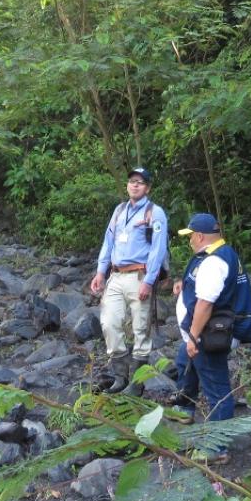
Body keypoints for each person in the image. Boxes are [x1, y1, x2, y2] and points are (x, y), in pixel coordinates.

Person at [172, 212, 251, 463]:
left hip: (209, 336)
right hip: (204, 333)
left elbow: (205, 304)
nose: (189, 241)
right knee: (183, 364)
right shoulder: (221, 253)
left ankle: (217, 448)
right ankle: (184, 408)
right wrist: (182, 285)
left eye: (190, 237)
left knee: (217, 390)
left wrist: (193, 338)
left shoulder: (213, 263)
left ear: (199, 236)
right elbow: (204, 286)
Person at [90, 167, 169, 394]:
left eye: (141, 182)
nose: (135, 185)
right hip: (116, 274)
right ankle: (120, 376)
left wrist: (149, 281)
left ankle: (137, 383)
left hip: (139, 275)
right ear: (127, 185)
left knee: (140, 328)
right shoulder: (119, 210)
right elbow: (108, 241)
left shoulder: (155, 213)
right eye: (132, 181)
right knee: (109, 323)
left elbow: (158, 249)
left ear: (148, 188)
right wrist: (100, 272)